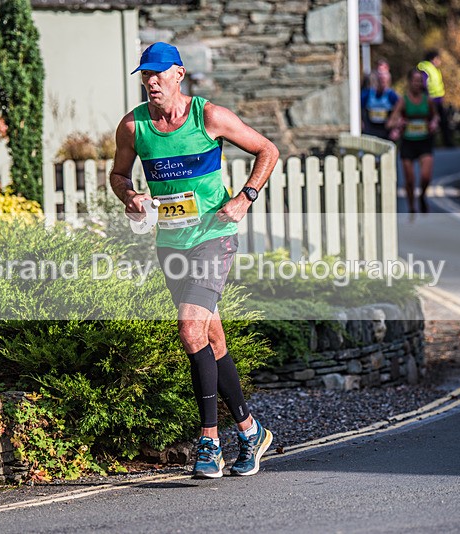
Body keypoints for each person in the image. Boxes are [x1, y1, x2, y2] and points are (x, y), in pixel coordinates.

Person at [109, 42, 279, 478]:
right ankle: (250, 429)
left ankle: (208, 440)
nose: (151, 81)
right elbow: (118, 174)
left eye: (158, 74)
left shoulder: (210, 117)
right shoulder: (133, 127)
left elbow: (268, 151)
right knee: (211, 340)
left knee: (188, 328)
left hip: (213, 237)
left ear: (178, 75)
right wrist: (130, 196)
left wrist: (245, 197)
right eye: (144, 75)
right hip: (171, 242)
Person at [387, 68, 439, 215]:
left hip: (424, 142)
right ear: (409, 82)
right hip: (408, 142)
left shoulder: (427, 100)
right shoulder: (403, 101)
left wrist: (434, 122)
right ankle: (411, 207)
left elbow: (435, 117)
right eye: (414, 81)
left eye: (420, 81)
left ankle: (422, 196)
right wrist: (399, 123)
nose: (417, 84)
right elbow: (391, 122)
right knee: (409, 180)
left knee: (425, 176)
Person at [417, 50, 453, 147]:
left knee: (442, 122)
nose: (439, 61)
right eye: (438, 59)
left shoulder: (433, 69)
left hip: (437, 100)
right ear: (433, 59)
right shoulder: (426, 68)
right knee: (433, 122)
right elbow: (424, 84)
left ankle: (446, 143)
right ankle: (432, 144)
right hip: (431, 101)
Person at [361, 63, 400, 140]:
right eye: (380, 78)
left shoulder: (392, 96)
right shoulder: (367, 94)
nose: (382, 79)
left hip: (386, 134)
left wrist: (396, 129)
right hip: (370, 133)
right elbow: (356, 109)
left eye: (384, 77)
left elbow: (401, 113)